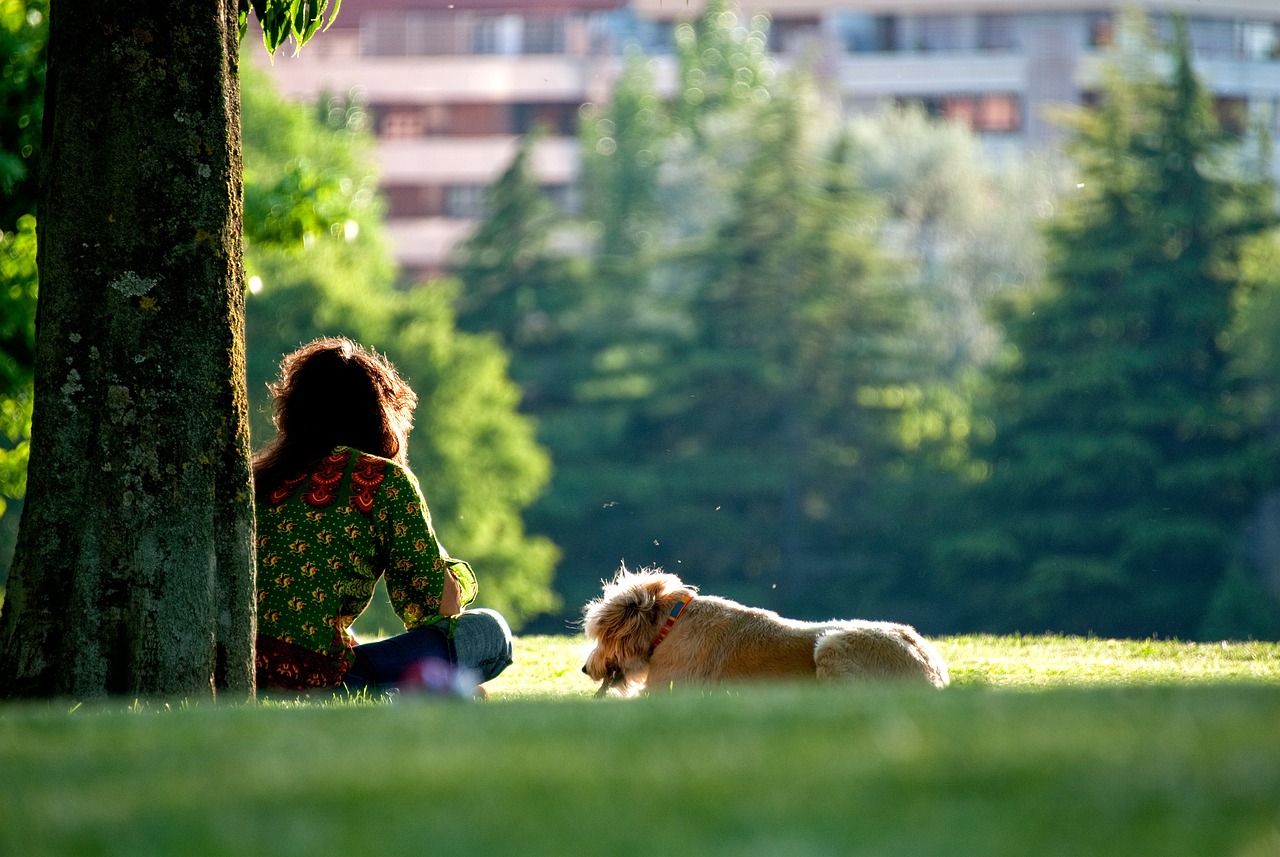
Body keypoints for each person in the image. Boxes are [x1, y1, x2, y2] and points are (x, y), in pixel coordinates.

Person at [252, 336, 512, 694]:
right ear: (380, 415)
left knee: (349, 642)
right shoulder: (378, 478)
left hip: (246, 669)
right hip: (318, 679)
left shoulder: (260, 477)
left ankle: (394, 689)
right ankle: (402, 690)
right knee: (491, 632)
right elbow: (437, 604)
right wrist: (405, 488)